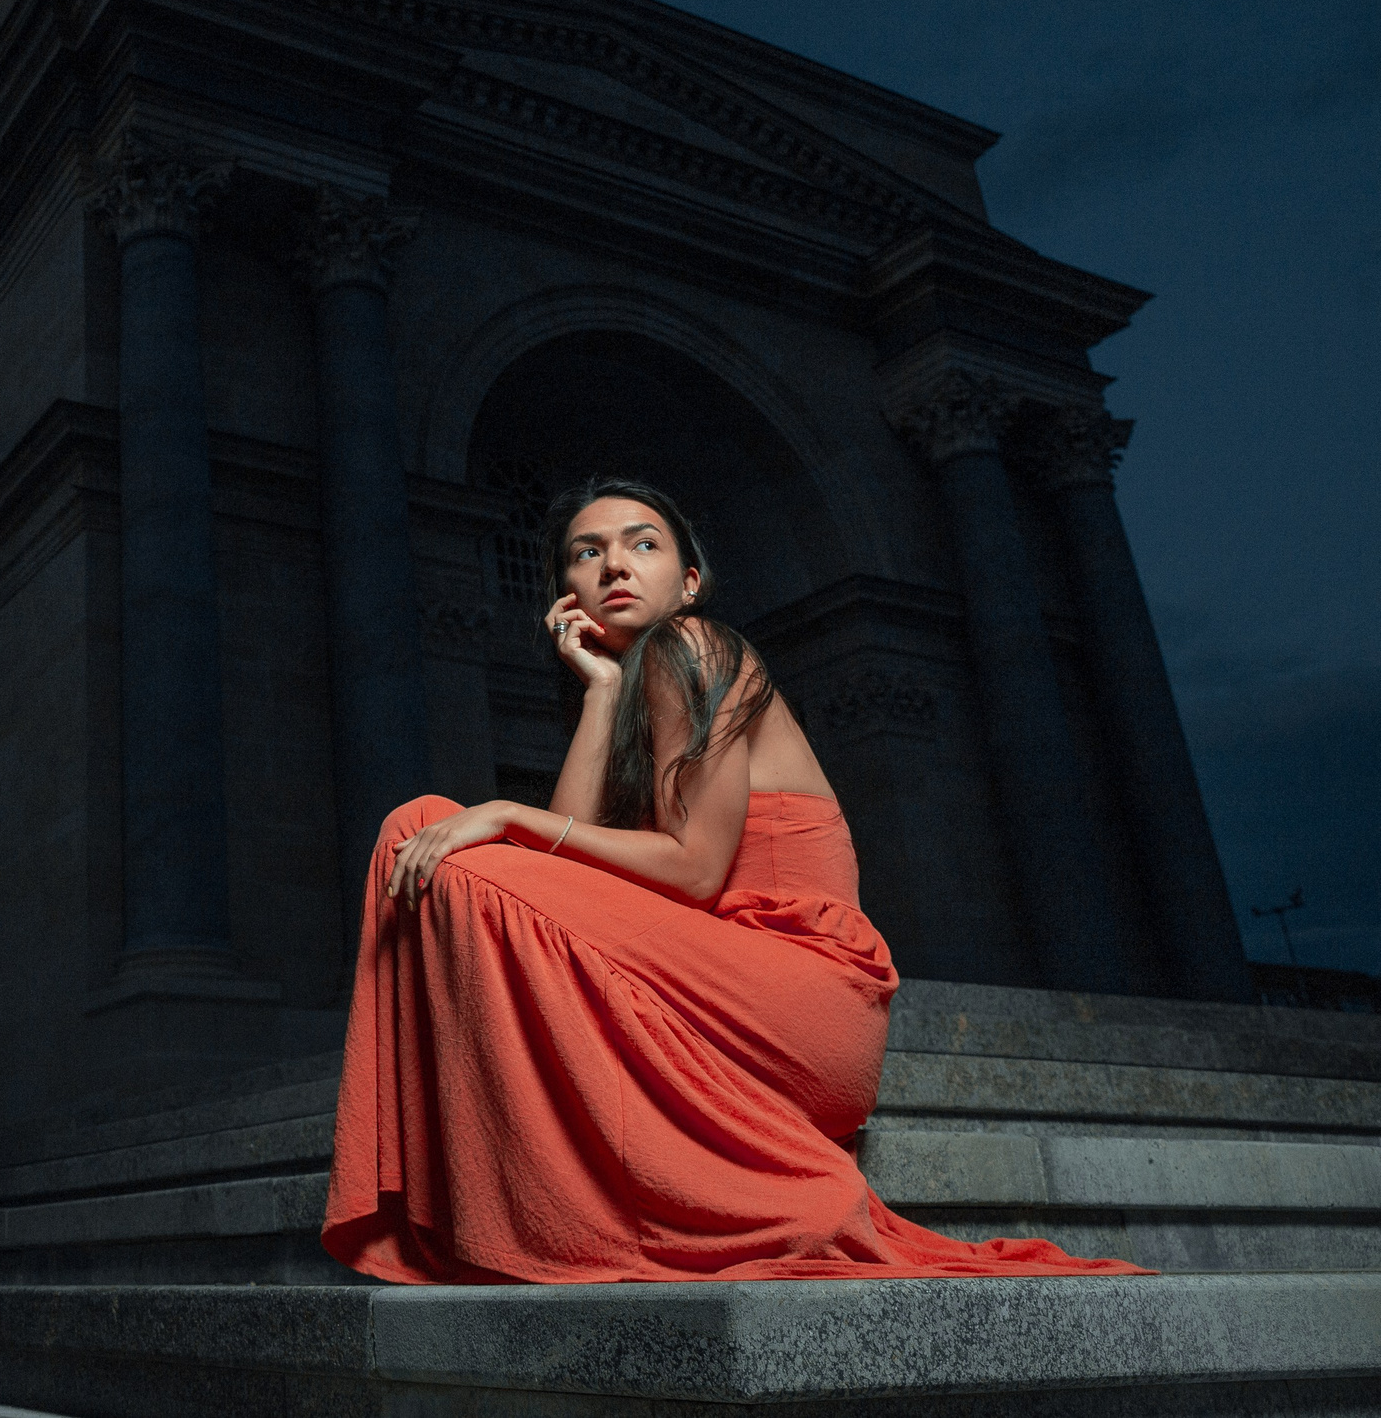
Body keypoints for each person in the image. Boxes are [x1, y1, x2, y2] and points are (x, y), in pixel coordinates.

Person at [322, 476, 1148, 1283]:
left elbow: (693, 870)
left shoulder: (702, 647)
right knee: (424, 824)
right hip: (719, 980)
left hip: (798, 998)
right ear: (565, 591)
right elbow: (556, 877)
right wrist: (601, 694)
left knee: (437, 837)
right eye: (588, 552)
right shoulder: (636, 685)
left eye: (642, 544)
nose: (615, 564)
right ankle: (516, 1198)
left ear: (688, 583)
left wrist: (509, 812)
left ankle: (528, 1209)